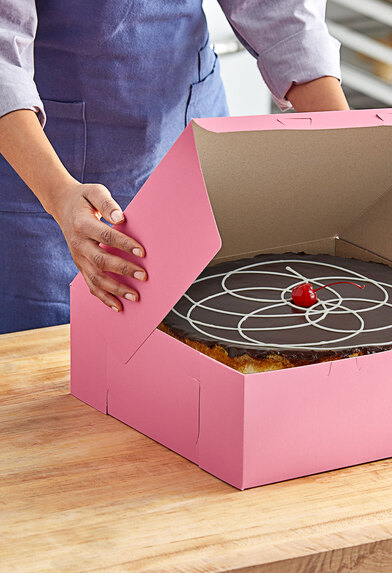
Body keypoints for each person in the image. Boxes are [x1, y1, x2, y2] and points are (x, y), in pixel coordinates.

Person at [0, 1, 349, 334]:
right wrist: (59, 194)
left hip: (190, 139)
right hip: (42, 167)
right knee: (49, 358)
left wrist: (348, 144)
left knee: (205, 331)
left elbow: (277, 10)